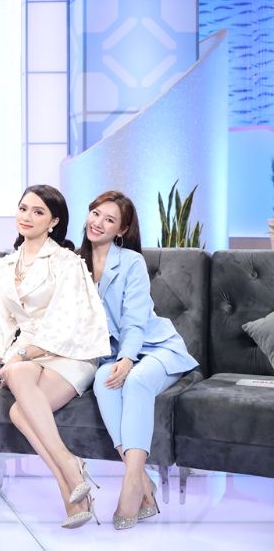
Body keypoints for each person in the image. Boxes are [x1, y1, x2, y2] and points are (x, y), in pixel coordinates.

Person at [0, 185, 110, 528]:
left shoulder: (67, 262)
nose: (27, 216)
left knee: (17, 405)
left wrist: (22, 352)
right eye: (23, 208)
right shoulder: (3, 266)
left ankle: (68, 476)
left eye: (38, 212)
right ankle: (70, 473)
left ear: (53, 221)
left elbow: (67, 322)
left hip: (69, 352)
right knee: (17, 373)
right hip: (28, 356)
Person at [79, 190, 197, 530]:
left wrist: (129, 358)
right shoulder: (75, 263)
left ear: (121, 230)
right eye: (96, 213)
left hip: (154, 346)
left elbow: (134, 321)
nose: (98, 222)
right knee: (103, 382)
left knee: (137, 381)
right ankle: (144, 481)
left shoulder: (131, 262)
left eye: (109, 219)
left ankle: (131, 485)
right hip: (112, 352)